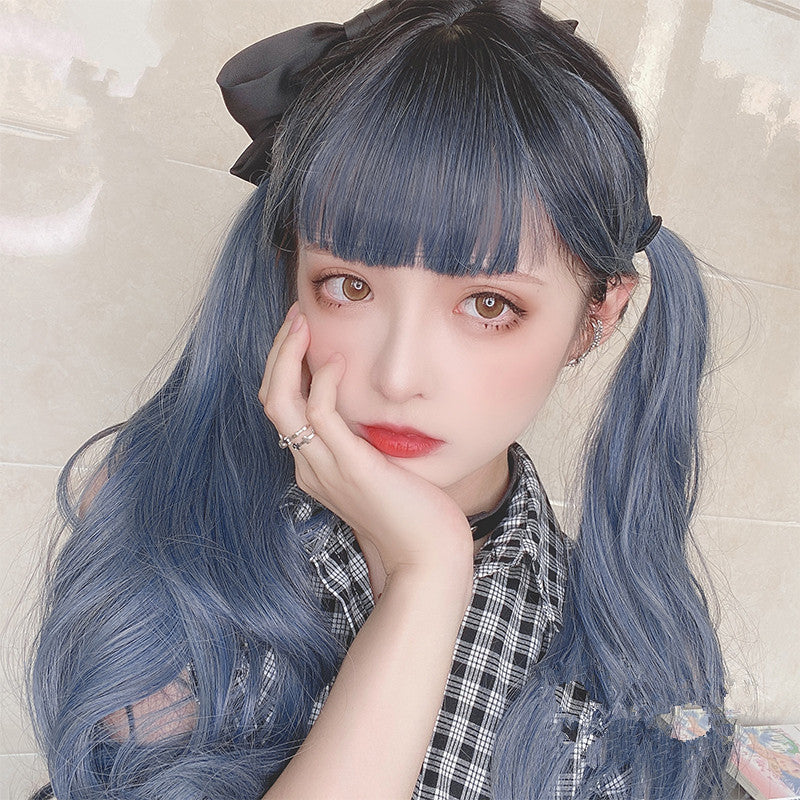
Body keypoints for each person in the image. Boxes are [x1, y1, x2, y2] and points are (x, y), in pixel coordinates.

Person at [26, 0, 735, 797]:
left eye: (489, 305)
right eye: (349, 286)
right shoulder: (168, 511)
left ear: (595, 317)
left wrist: (427, 572)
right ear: (292, 274)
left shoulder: (625, 656)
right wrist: (426, 579)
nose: (397, 377)